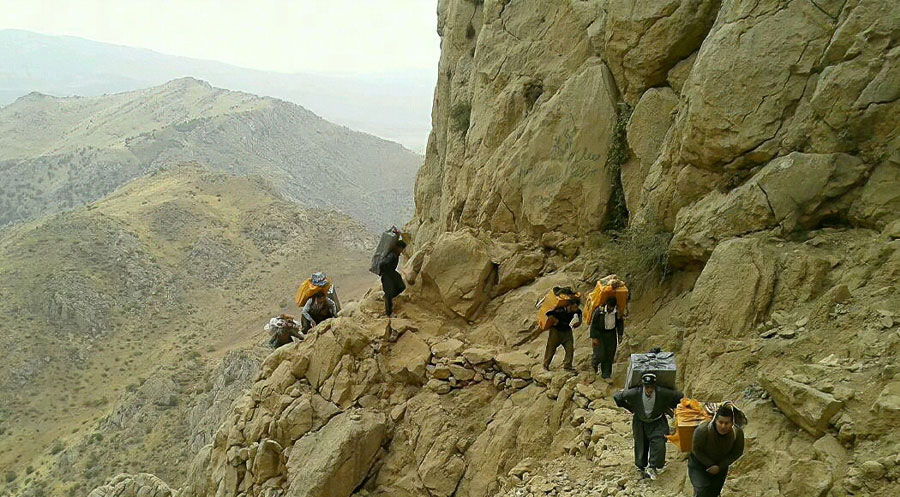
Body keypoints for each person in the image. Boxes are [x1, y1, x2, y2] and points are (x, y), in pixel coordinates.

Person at [613, 373, 683, 480]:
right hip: (640, 422)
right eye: (647, 387)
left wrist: (670, 406)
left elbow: (679, 396)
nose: (649, 390)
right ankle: (641, 467)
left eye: (651, 387)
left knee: (659, 443)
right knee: (641, 445)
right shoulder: (635, 393)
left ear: (654, 386)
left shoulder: (661, 392)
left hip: (657, 422)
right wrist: (631, 408)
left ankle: (653, 466)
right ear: (643, 386)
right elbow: (617, 397)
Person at [689, 403, 745, 496]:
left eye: (727, 423)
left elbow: (737, 452)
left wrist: (720, 466)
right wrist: (710, 464)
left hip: (720, 467)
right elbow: (696, 450)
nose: (723, 426)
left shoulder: (737, 433)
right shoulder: (703, 430)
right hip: (699, 464)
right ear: (715, 421)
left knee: (713, 493)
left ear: (732, 423)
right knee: (702, 490)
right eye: (720, 422)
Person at [542, 297, 582, 371]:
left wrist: (578, 323)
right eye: (575, 307)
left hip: (567, 331)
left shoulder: (576, 311)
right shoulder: (559, 310)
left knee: (570, 349)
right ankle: (546, 364)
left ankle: (567, 365)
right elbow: (548, 313)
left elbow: (580, 316)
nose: (576, 309)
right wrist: (554, 320)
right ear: (570, 305)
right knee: (551, 348)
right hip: (556, 331)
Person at [591, 297, 623, 381]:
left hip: (611, 334)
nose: (610, 309)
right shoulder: (599, 311)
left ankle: (606, 374)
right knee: (600, 354)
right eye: (609, 307)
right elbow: (593, 325)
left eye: (612, 307)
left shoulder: (617, 313)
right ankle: (594, 363)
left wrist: (620, 334)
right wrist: (594, 337)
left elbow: (620, 323)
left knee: (610, 354)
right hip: (600, 334)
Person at [380, 239, 407, 316]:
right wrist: (382, 272)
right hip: (387, 275)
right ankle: (389, 313)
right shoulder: (392, 255)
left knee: (401, 287)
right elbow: (383, 263)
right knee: (389, 293)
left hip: (392, 273)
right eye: (401, 248)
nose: (402, 250)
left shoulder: (396, 254)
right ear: (398, 247)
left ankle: (388, 298)